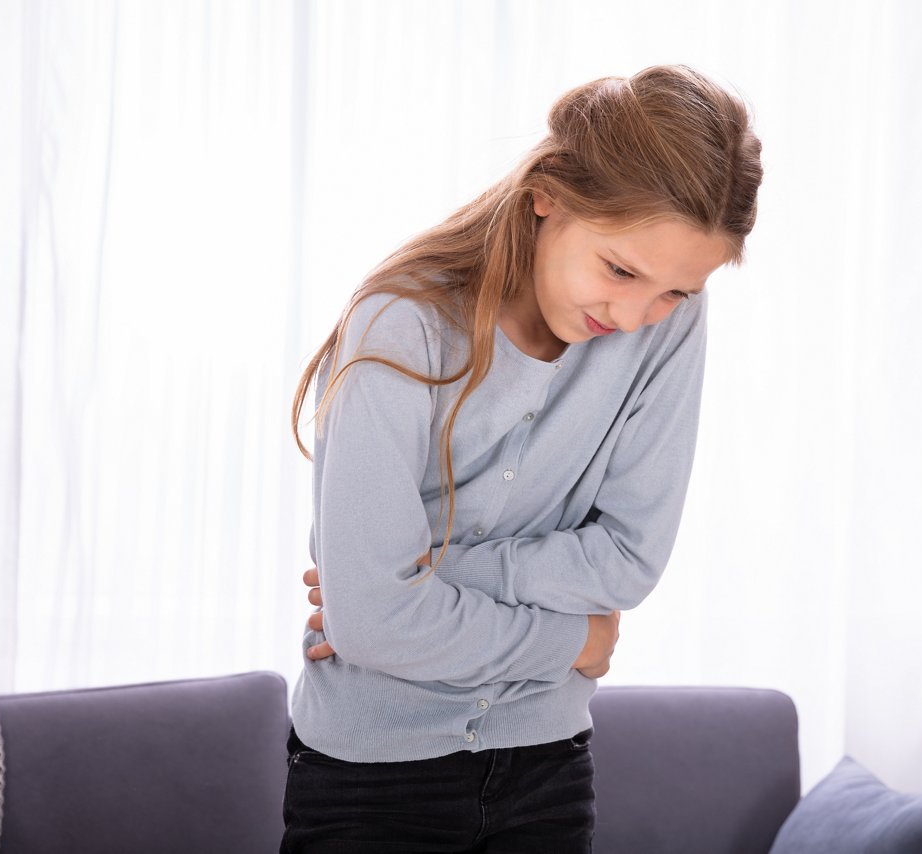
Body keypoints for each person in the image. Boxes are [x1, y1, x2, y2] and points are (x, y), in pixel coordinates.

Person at [282, 64, 762, 853]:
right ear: (549, 195)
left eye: (675, 292)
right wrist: (571, 642)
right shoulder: (399, 327)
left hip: (548, 766)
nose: (637, 315)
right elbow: (371, 625)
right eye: (619, 270)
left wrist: (419, 579)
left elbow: (629, 561)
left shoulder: (668, 322)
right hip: (373, 778)